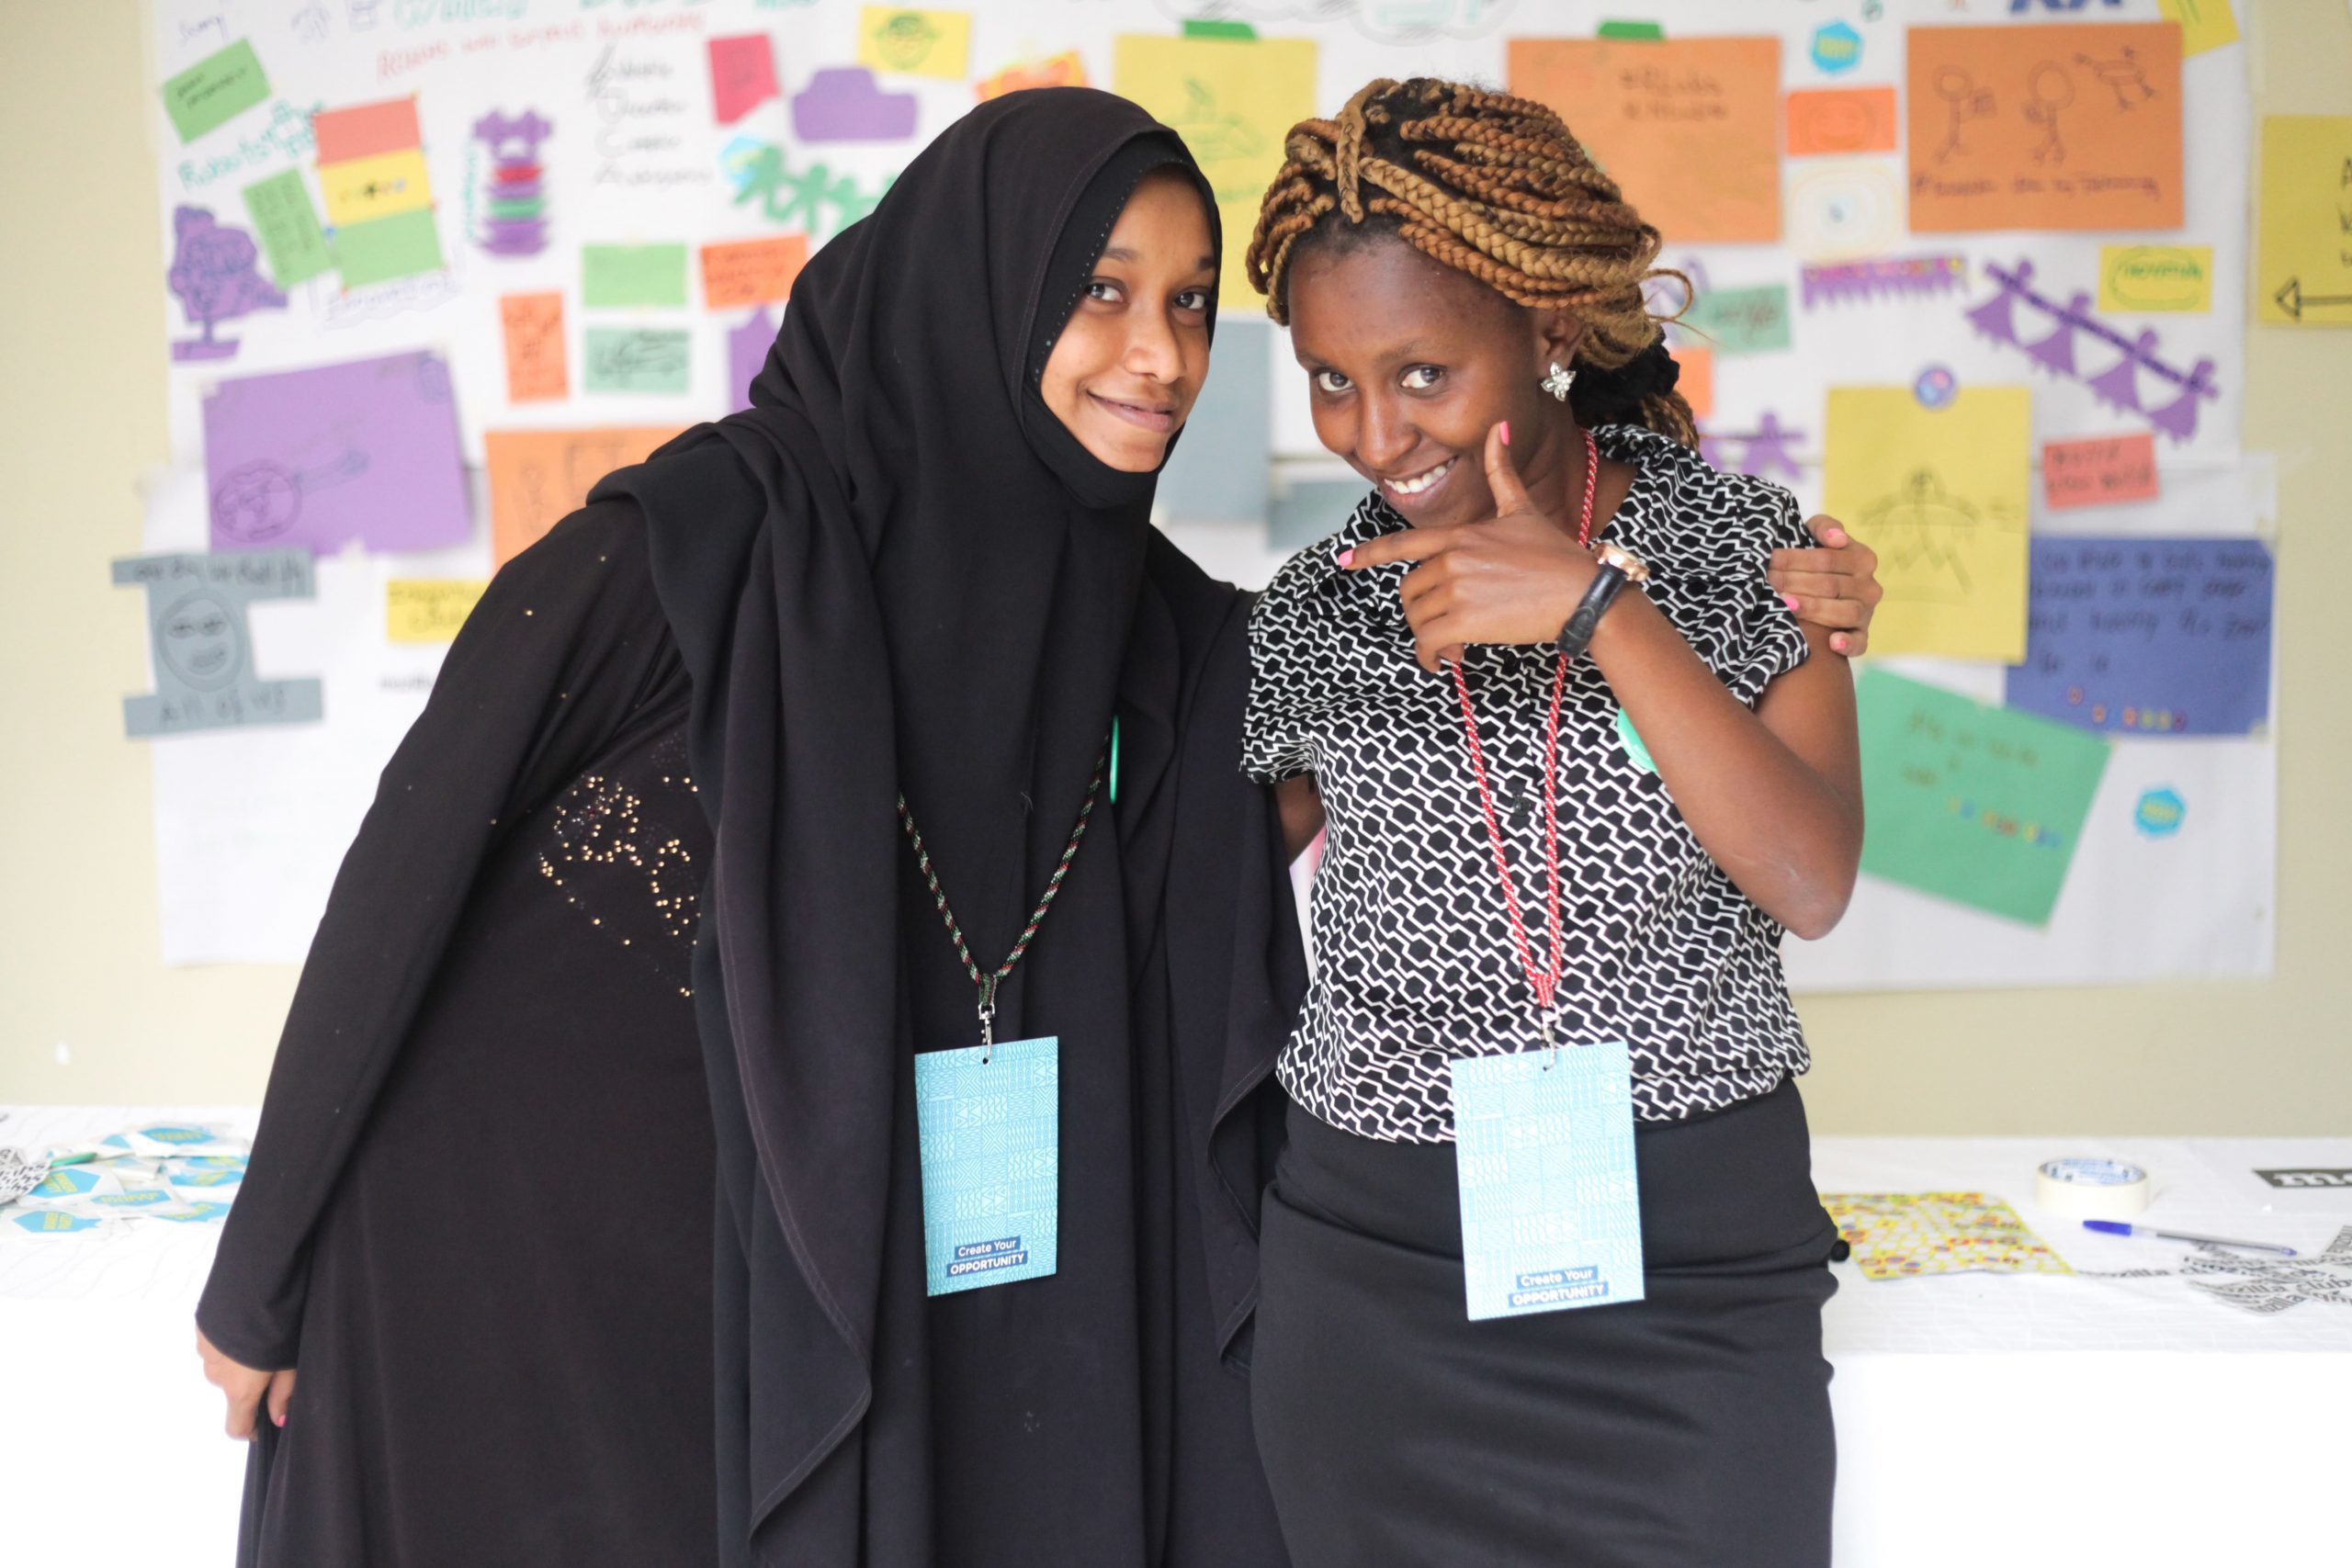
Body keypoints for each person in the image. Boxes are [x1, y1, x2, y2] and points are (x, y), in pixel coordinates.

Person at [198, 87, 1305, 1568]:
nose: (1162, 356)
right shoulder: (697, 549)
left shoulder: (1134, 630)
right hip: (497, 1282)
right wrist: (256, 1280)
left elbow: (1333, 688)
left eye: (1188, 301)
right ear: (973, 285)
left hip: (778, 1296)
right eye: (1099, 290)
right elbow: (402, 878)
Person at [1237, 78, 1865, 1566]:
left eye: (1422, 374)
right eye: (1332, 380)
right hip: (1377, 1283)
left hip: (1693, 1287)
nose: (1374, 433)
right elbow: (1188, 892)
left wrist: (1602, 613)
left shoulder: (1740, 547)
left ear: (1551, 332)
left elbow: (1809, 876)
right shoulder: (1313, 616)